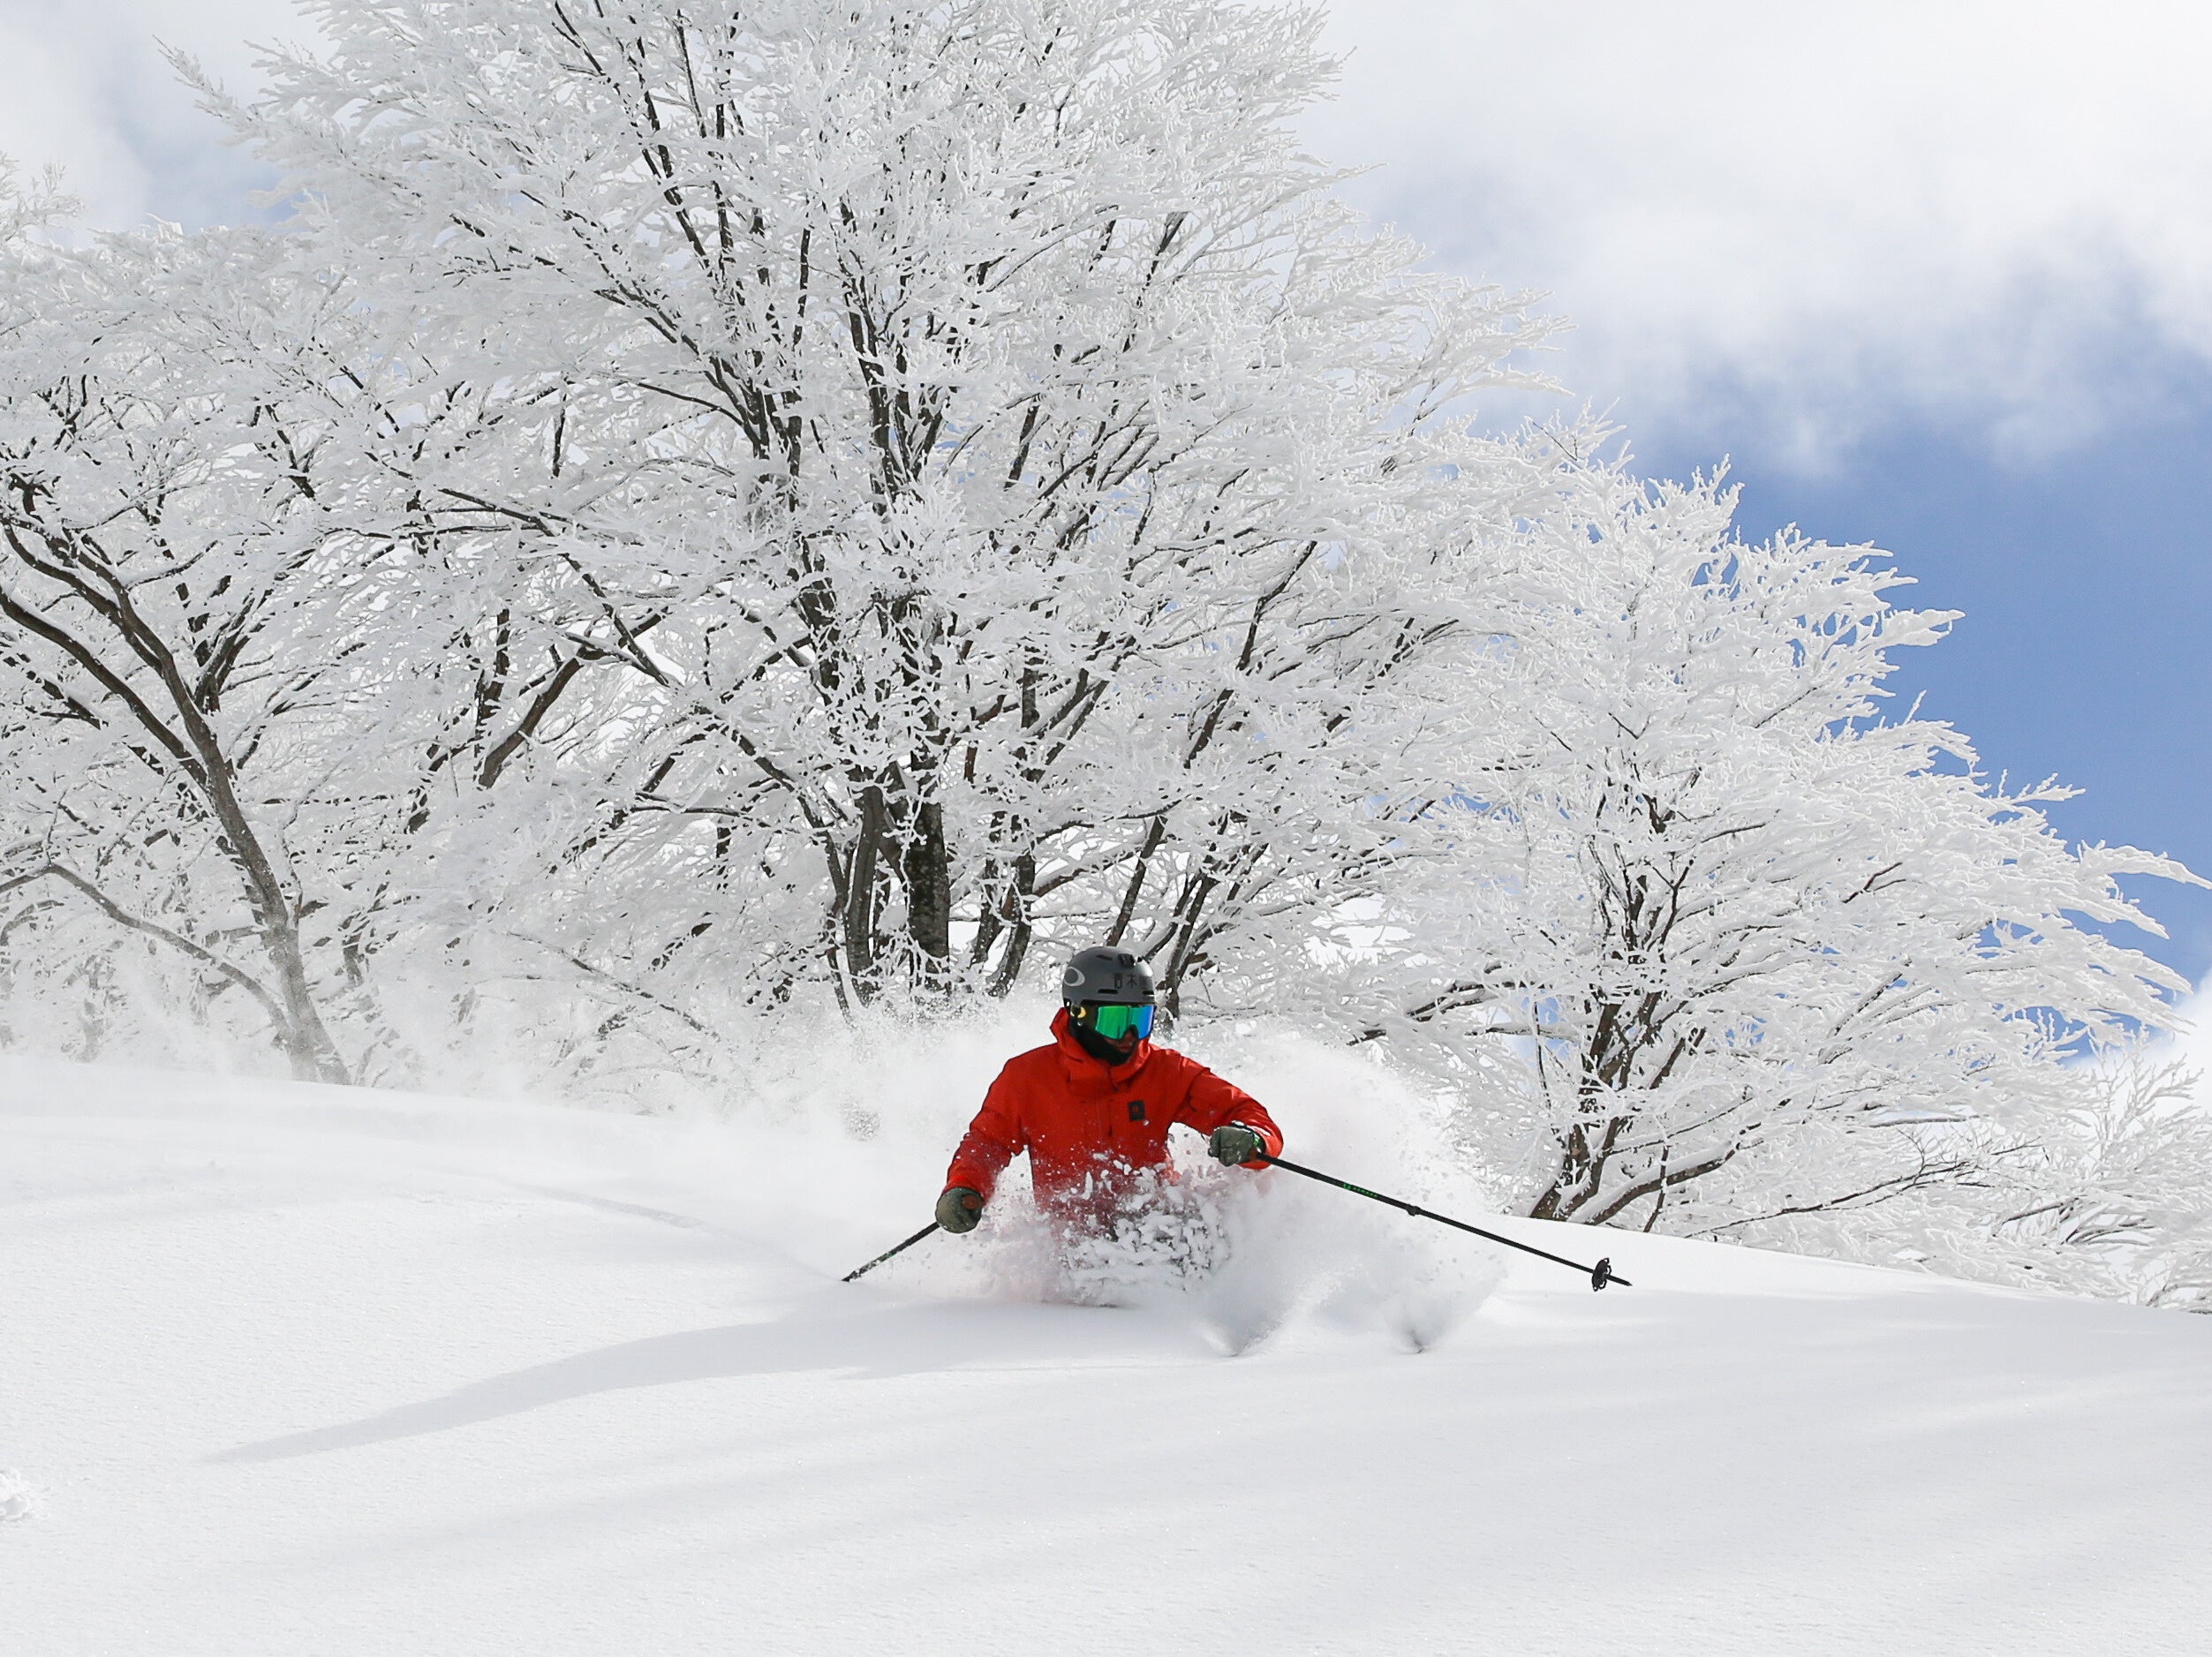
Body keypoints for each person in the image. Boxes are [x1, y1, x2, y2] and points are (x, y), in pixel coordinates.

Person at [935, 946, 1284, 1237]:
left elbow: (1245, 1112)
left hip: (1160, 1230)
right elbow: (988, 1143)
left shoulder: (1166, 1071)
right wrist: (965, 1187)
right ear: (1079, 1013)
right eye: (1117, 1021)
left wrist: (1252, 1138)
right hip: (1069, 1242)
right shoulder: (1027, 1077)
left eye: (1141, 1020)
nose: (1131, 1036)